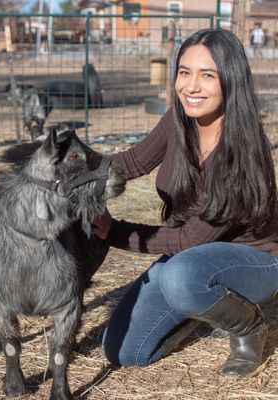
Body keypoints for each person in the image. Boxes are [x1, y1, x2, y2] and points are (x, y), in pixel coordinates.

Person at [92, 28, 278, 377]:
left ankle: (248, 326)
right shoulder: (180, 120)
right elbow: (132, 163)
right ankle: (199, 307)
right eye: (184, 72)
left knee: (181, 274)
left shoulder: (239, 154)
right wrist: (80, 174)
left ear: (231, 80)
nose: (191, 87)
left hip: (255, 261)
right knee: (123, 351)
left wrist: (113, 232)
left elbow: (188, 242)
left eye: (207, 75)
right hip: (193, 259)